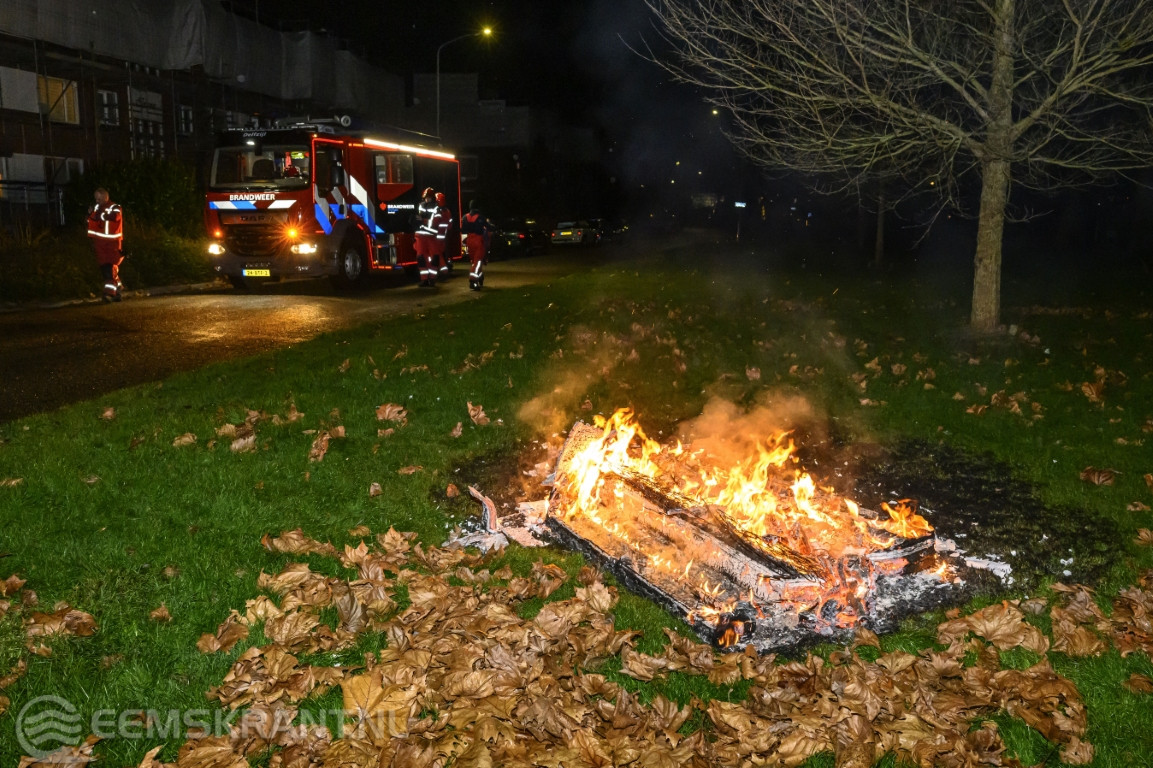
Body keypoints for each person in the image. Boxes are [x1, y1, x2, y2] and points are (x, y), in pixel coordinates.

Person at [87, 187, 124, 302]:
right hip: (100, 243)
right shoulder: (96, 208)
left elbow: (114, 217)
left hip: (112, 243)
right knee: (105, 267)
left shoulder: (115, 207)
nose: (97, 200)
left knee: (109, 267)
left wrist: (99, 215)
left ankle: (109, 293)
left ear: (105, 197)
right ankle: (117, 289)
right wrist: (91, 214)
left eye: (99, 198)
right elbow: (92, 221)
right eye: (96, 198)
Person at [460, 200, 494, 290]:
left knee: (474, 262)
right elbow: (489, 228)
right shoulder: (481, 218)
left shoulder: (465, 217)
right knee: (478, 261)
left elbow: (462, 230)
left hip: (469, 241)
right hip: (478, 240)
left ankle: (480, 276)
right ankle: (473, 281)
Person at [414, 187, 440, 286]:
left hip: (431, 235)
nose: (427, 199)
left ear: (432, 198)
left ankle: (432, 279)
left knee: (435, 257)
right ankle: (424, 279)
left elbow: (434, 222)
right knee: (421, 257)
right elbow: (417, 218)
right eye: (425, 197)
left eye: (428, 197)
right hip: (420, 235)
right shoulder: (420, 205)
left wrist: (423, 220)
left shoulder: (436, 208)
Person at [433, 191, 453, 282]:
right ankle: (444, 270)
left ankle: (443, 272)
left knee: (437, 255)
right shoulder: (448, 211)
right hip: (444, 236)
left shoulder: (438, 211)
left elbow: (434, 223)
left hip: (436, 236)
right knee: (443, 255)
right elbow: (450, 225)